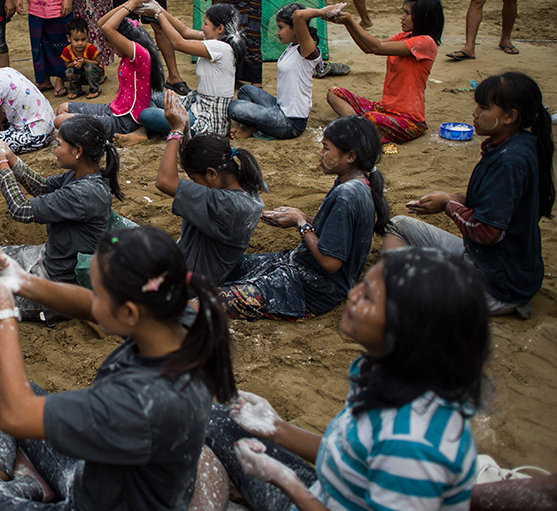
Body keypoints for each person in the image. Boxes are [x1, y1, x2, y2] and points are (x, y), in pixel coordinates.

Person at [0, 226, 237, 511]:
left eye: (99, 293)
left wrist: (3, 305)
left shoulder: (140, 403)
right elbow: (90, 307)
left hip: (97, 502)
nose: (91, 300)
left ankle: (8, 487)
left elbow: (17, 415)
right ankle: (14, 487)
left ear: (129, 312)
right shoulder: (178, 321)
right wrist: (20, 281)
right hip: (103, 479)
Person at [203, 248, 486, 511]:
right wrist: (277, 429)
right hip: (329, 492)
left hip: (314, 500)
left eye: (368, 297)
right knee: (211, 417)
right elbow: (348, 453)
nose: (352, 294)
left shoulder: (412, 445)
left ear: (409, 329)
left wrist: (284, 480)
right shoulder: (386, 376)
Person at [383, 72, 553, 319]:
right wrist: (455, 197)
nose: (475, 113)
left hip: (497, 285)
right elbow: (501, 203)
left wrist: (448, 205)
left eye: (483, 107)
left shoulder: (509, 162)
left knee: (411, 282)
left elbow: (486, 232)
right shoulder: (517, 145)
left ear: (510, 116)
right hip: (499, 268)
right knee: (398, 224)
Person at [219, 116, 387, 320]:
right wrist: (297, 217)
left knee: (211, 301)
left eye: (326, 148)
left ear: (350, 156)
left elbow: (330, 263)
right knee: (227, 267)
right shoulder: (356, 183)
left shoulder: (347, 195)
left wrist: (300, 222)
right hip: (301, 269)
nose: (321, 153)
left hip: (313, 290)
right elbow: (335, 230)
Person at [0, 115, 119, 288]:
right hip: (50, 257)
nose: (55, 150)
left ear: (78, 151)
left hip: (60, 279)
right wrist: (10, 157)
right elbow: (42, 187)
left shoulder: (83, 193)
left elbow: (20, 209)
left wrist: (1, 163)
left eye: (58, 144)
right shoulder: (81, 175)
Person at [156, 94, 266, 283]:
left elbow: (164, 181)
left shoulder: (226, 205)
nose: (194, 184)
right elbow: (196, 160)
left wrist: (176, 131)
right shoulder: (241, 184)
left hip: (186, 284)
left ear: (212, 174)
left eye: (194, 179)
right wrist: (186, 126)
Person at [327, 0, 443, 144]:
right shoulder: (405, 36)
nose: (402, 17)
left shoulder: (425, 43)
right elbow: (369, 47)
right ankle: (357, 127)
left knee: (371, 119)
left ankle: (355, 126)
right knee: (334, 93)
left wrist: (349, 20)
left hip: (409, 120)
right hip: (384, 109)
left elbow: (377, 47)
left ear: (423, 17)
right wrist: (346, 23)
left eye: (407, 13)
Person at [57, 0, 164, 142]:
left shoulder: (140, 56)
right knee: (62, 108)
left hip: (125, 121)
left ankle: (139, 133)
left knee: (60, 121)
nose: (113, 52)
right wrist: (128, 2)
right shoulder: (128, 58)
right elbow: (102, 24)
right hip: (113, 109)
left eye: (113, 47)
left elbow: (107, 28)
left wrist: (132, 5)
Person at [137, 2, 247, 140]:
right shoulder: (216, 40)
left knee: (146, 114)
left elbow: (178, 43)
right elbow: (185, 31)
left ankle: (145, 131)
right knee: (148, 97)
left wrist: (158, 15)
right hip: (198, 105)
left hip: (206, 122)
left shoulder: (220, 47)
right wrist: (159, 10)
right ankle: (146, 129)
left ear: (219, 28)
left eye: (206, 24)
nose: (202, 27)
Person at [228, 4, 329, 140]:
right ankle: (253, 126)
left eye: (281, 27)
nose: (277, 32)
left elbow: (299, 15)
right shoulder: (293, 46)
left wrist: (325, 11)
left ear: (295, 28)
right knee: (246, 90)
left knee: (234, 107)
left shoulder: (307, 50)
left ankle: (252, 126)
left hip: (290, 123)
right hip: (279, 108)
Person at [60, 17, 103, 99]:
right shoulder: (67, 50)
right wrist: (74, 63)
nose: (80, 43)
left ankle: (94, 90)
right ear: (69, 38)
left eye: (83, 39)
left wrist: (84, 61)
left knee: (88, 67)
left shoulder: (90, 48)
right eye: (76, 40)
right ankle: (76, 90)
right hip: (79, 74)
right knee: (69, 71)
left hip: (94, 74)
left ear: (87, 37)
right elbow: (67, 65)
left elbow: (98, 62)